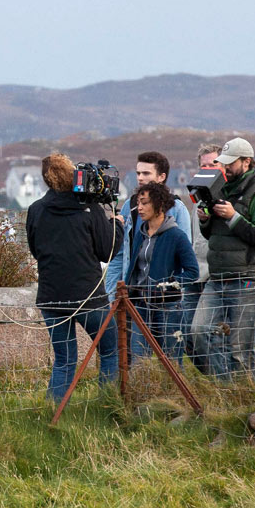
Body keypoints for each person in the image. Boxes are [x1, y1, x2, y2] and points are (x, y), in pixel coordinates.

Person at [25, 153, 124, 403]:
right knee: (110, 351)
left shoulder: (36, 210)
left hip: (52, 298)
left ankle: (54, 412)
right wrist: (118, 225)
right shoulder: (89, 209)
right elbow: (107, 251)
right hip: (88, 296)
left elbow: (35, 250)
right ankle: (107, 404)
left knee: (64, 360)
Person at [194, 137, 255, 382]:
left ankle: (243, 399)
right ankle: (226, 388)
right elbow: (211, 236)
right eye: (224, 162)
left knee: (240, 348)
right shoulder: (218, 190)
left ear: (246, 162)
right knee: (199, 332)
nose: (225, 167)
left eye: (230, 163)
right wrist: (204, 220)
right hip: (217, 277)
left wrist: (233, 217)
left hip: (247, 279)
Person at [102, 150, 191, 374]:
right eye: (138, 172)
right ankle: (141, 405)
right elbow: (119, 254)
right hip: (136, 296)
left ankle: (174, 404)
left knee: (171, 359)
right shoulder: (130, 208)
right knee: (138, 359)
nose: (140, 177)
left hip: (168, 298)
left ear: (161, 177)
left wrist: (178, 288)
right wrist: (113, 292)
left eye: (146, 173)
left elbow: (185, 254)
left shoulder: (177, 209)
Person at [125, 182, 199, 362]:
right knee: (138, 361)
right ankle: (141, 391)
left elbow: (192, 271)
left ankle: (174, 391)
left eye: (144, 203)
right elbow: (134, 268)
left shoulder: (176, 236)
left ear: (159, 205)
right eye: (138, 203)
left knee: (171, 363)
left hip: (168, 307)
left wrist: (167, 285)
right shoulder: (140, 234)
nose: (139, 208)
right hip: (140, 306)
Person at [184, 142, 222, 375]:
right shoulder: (195, 204)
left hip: (216, 277)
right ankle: (211, 380)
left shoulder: (227, 200)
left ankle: (223, 386)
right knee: (184, 332)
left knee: (208, 334)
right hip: (193, 278)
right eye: (203, 166)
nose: (208, 169)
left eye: (213, 164)